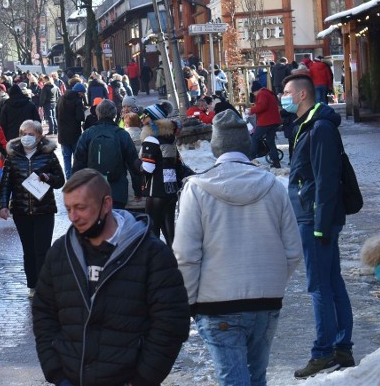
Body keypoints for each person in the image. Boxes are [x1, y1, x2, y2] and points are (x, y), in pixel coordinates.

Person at [173, 110, 303, 386]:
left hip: (216, 303)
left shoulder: (197, 189)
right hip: (266, 302)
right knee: (256, 377)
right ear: (246, 144)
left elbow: (185, 256)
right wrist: (271, 281)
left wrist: (188, 302)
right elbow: (293, 251)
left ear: (215, 146)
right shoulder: (273, 186)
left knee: (233, 379)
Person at [32, 169, 190, 386]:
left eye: (80, 207)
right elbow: (43, 313)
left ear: (106, 204)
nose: (73, 217)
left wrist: (143, 379)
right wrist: (56, 373)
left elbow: (171, 323)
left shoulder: (152, 254)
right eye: (68, 209)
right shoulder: (61, 252)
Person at [282, 73, 355, 377]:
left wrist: (321, 225)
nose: (281, 97)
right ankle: (341, 347)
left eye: (286, 92)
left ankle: (324, 351)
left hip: (315, 218)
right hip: (312, 214)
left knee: (319, 286)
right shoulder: (307, 126)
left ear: (301, 96)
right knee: (330, 280)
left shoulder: (320, 128)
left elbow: (326, 180)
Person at [0, 120, 65, 297]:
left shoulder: (48, 155)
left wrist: (48, 177)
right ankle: (32, 285)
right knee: (28, 250)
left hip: (44, 210)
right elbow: (6, 184)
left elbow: (60, 181)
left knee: (42, 249)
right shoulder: (12, 157)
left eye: (31, 134)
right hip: (21, 211)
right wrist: (3, 206)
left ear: (39, 136)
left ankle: (45, 285)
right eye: (24, 134)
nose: (27, 138)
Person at [72, 99, 141, 210]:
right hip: (118, 190)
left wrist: (76, 190)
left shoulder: (87, 134)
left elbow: (78, 164)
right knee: (116, 222)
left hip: (94, 189)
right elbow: (134, 164)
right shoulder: (122, 134)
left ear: (98, 114)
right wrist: (138, 190)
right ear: (114, 114)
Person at [140, 104, 186, 246]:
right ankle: (176, 259)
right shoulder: (170, 138)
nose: (142, 119)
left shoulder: (151, 139)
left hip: (156, 190)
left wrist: (136, 164)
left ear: (153, 118)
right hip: (171, 189)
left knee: (152, 230)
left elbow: (147, 168)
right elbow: (178, 163)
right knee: (169, 229)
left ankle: (158, 262)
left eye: (145, 116)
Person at [56, 81, 87, 179]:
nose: (83, 95)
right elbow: (80, 118)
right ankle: (77, 178)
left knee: (66, 158)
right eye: (83, 93)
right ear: (79, 92)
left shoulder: (61, 98)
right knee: (76, 157)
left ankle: (69, 178)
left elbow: (57, 114)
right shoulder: (77, 101)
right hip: (74, 134)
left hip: (62, 134)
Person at [250, 80, 282, 168]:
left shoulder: (261, 94)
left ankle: (251, 158)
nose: (254, 95)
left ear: (255, 90)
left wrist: (251, 110)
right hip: (274, 120)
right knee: (270, 141)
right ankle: (276, 161)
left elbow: (261, 106)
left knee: (255, 138)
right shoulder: (268, 93)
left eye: (253, 93)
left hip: (266, 121)